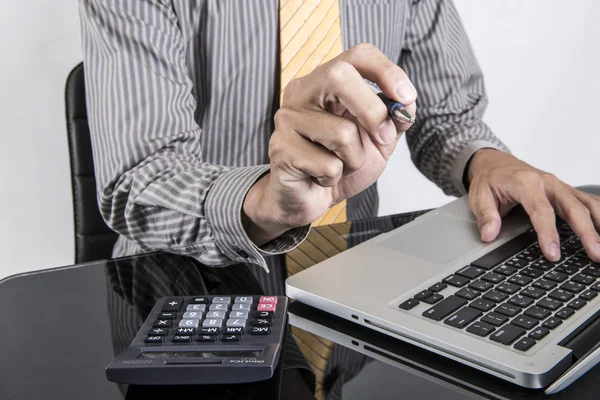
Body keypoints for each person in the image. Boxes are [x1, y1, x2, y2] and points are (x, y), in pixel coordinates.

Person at [79, 0, 600, 276]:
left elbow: (443, 116)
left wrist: (483, 161)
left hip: (351, 279)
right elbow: (140, 177)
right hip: (179, 288)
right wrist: (263, 201)